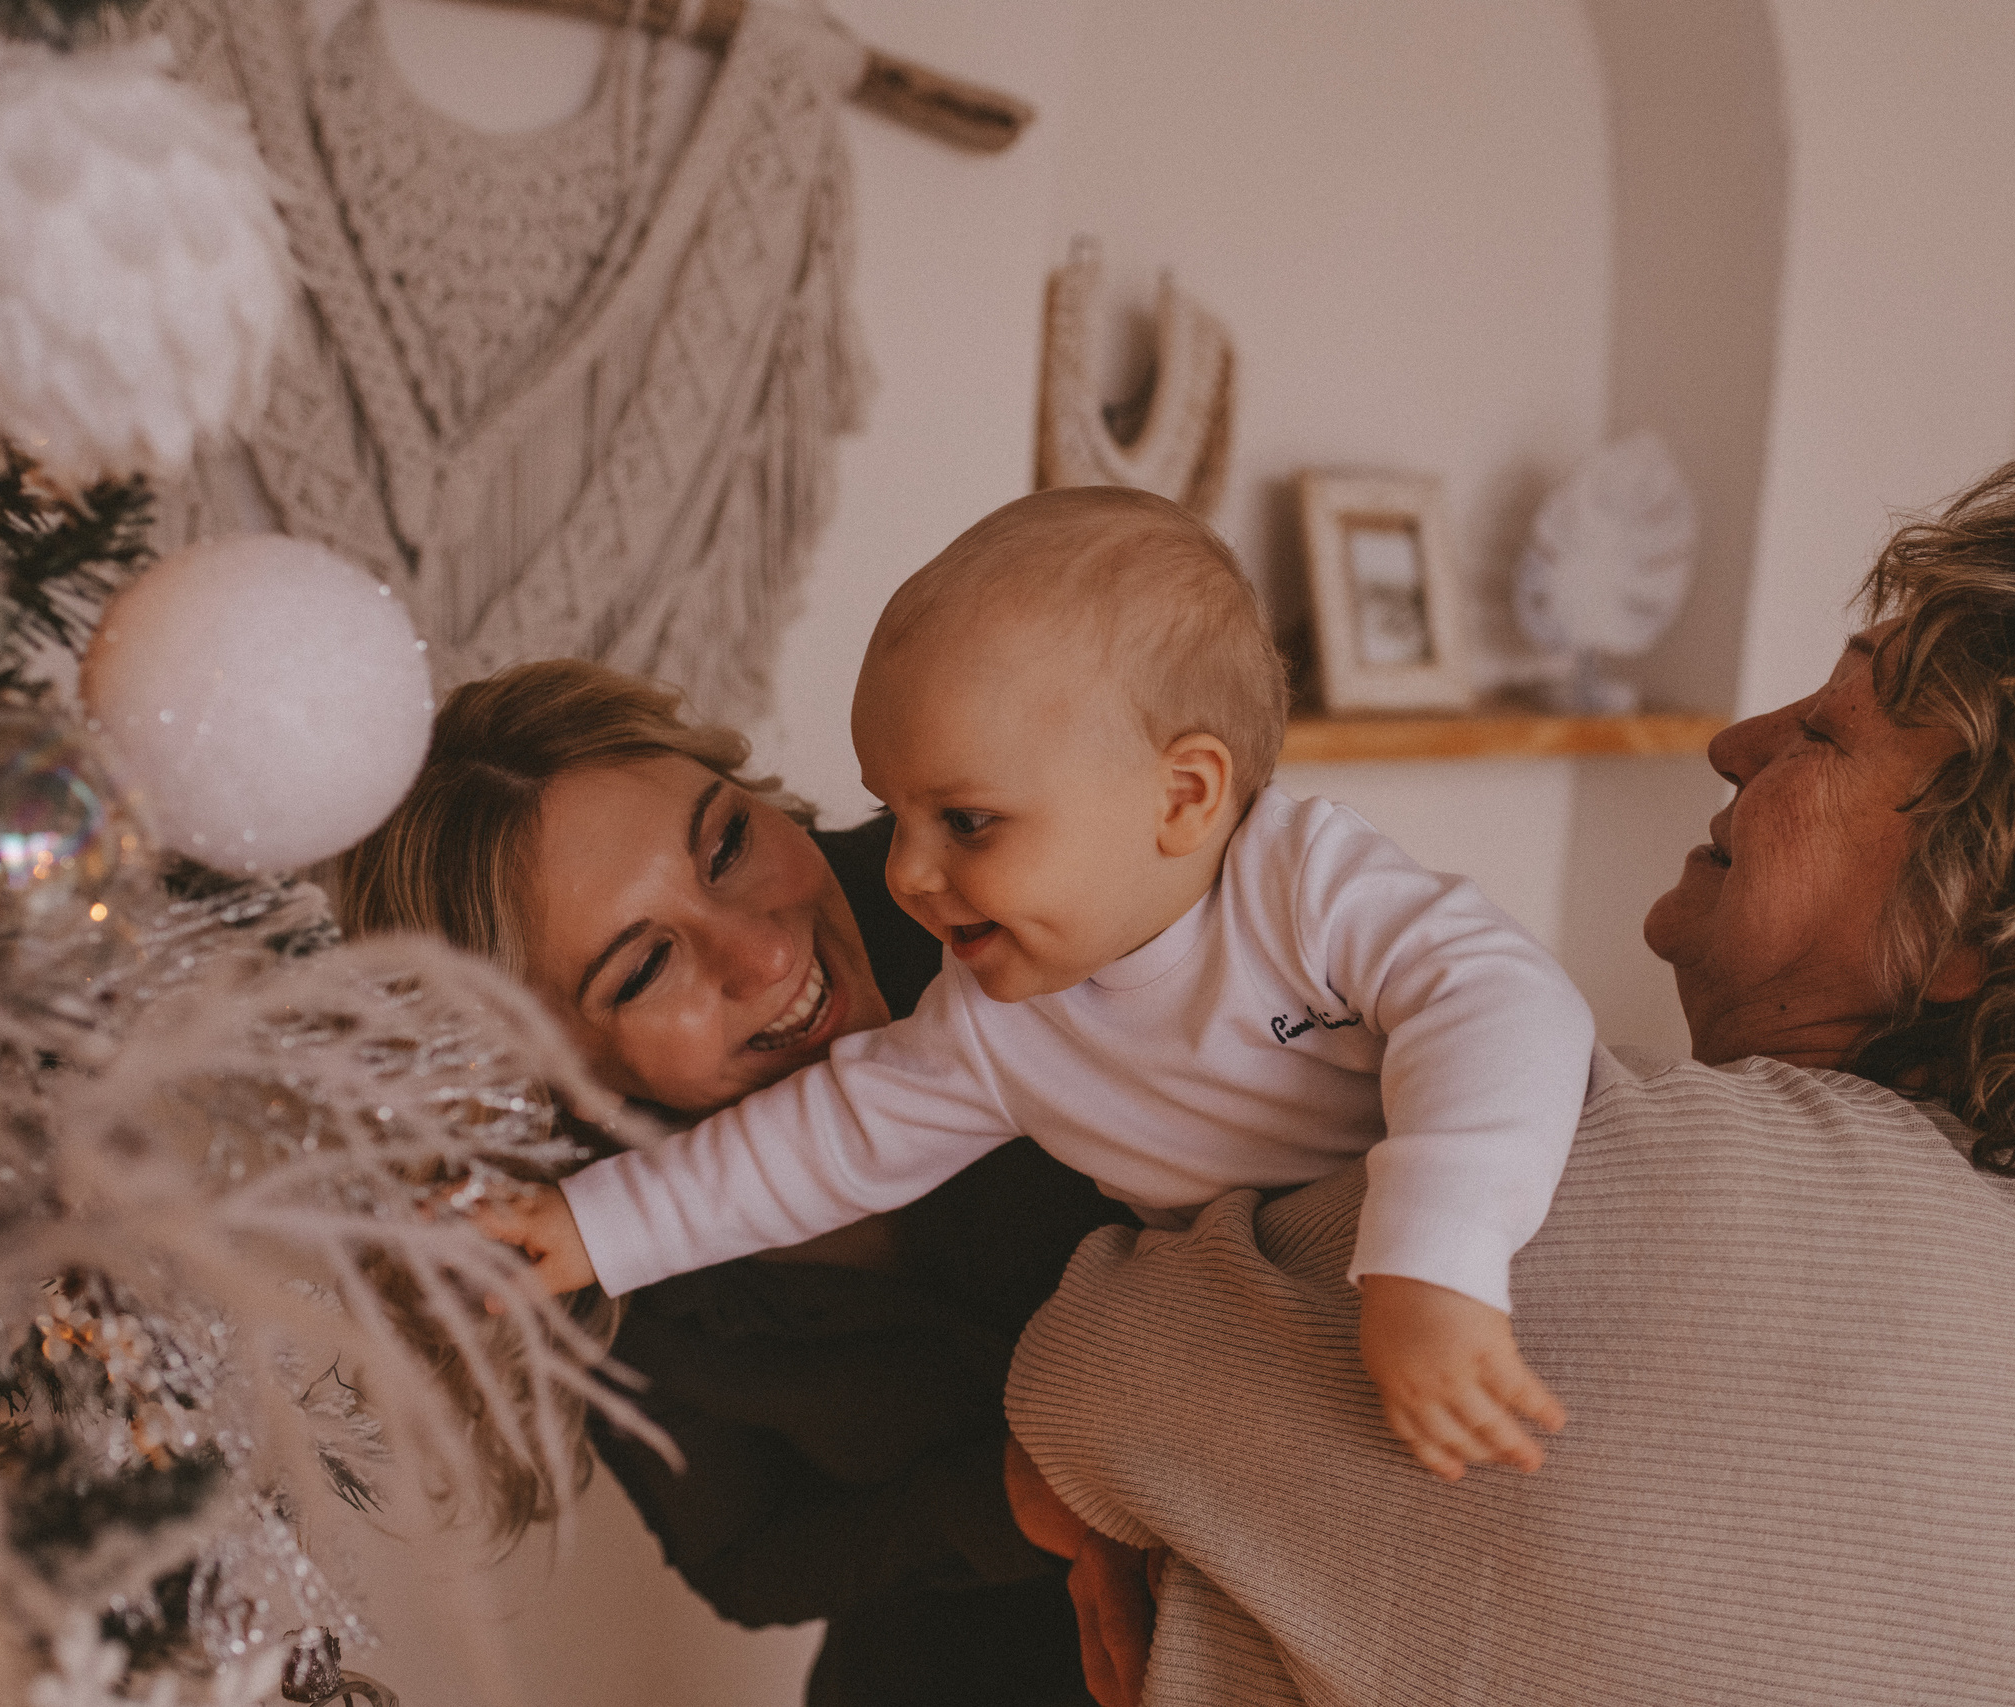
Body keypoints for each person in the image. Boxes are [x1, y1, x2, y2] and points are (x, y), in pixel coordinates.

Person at [1002, 458, 2015, 1705]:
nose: (1732, 743)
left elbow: (1074, 1388)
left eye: (1825, 733)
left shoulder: (1643, 1181)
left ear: (1979, 923)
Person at [486, 486, 1598, 1481]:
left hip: (1482, 1257)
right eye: (897, 813)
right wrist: (594, 1229)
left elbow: (1500, 1001)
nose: (909, 872)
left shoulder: (1300, 884)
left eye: (965, 821)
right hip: (1283, 1339)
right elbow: (810, 1147)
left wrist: (1433, 1259)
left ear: (1182, 798)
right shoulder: (986, 1023)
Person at [334, 661, 1142, 1707]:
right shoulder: (578, 1261)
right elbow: (749, 1559)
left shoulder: (1003, 904)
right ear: (552, 1087)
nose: (763, 950)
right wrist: (1010, 1505)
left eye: (725, 844)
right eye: (639, 969)